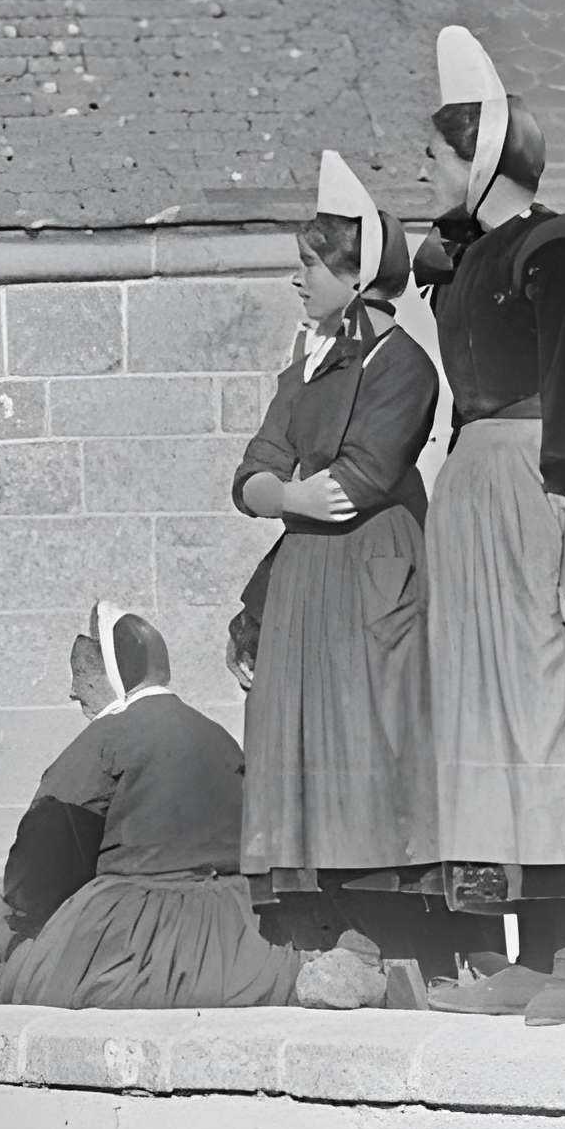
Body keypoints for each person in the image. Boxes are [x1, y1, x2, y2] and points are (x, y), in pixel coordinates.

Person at [414, 27, 565, 1022]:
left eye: (438, 152)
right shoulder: (465, 255)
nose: (426, 170)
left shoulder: (563, 252)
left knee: (546, 718)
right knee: (485, 720)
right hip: (470, 491)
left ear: (482, 155)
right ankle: (521, 950)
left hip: (537, 489)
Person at [230, 153, 446, 960]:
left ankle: (389, 933)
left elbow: (357, 484)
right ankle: (327, 927)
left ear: (357, 277)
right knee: (306, 742)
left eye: (311, 266)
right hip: (308, 571)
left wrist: (286, 490)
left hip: (373, 572)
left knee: (370, 737)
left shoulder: (407, 369)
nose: (299, 281)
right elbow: (252, 473)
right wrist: (285, 495)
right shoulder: (308, 366)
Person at [0, 606, 383, 1011]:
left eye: (82, 676)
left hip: (136, 936)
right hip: (236, 934)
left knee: (9, 928)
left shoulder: (105, 739)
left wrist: (21, 902)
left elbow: (41, 860)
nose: (74, 693)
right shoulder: (217, 736)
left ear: (115, 676)